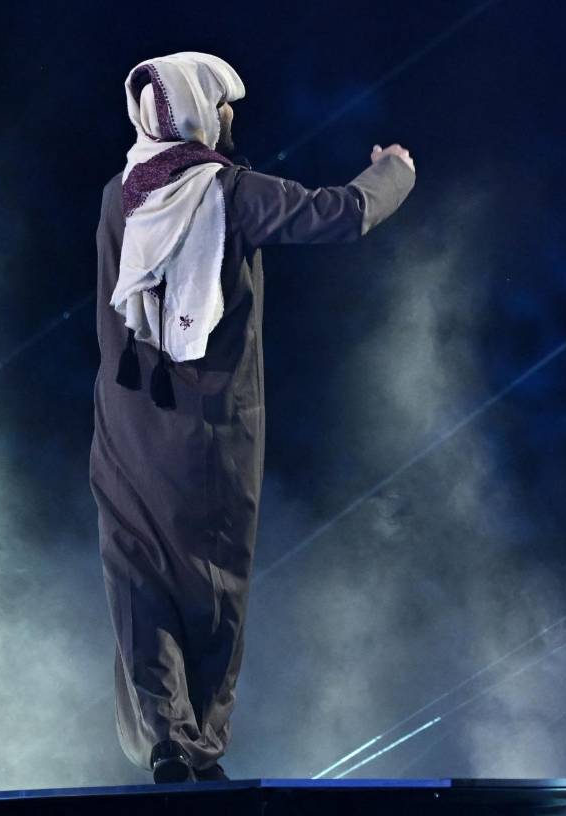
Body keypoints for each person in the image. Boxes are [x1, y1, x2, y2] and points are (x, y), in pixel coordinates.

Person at [89, 52, 415, 784]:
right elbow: (342, 213)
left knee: (140, 582)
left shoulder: (119, 195)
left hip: (125, 428)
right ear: (202, 114)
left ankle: (167, 739)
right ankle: (198, 744)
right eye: (223, 106)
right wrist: (395, 169)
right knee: (211, 586)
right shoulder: (227, 193)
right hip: (207, 433)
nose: (230, 117)